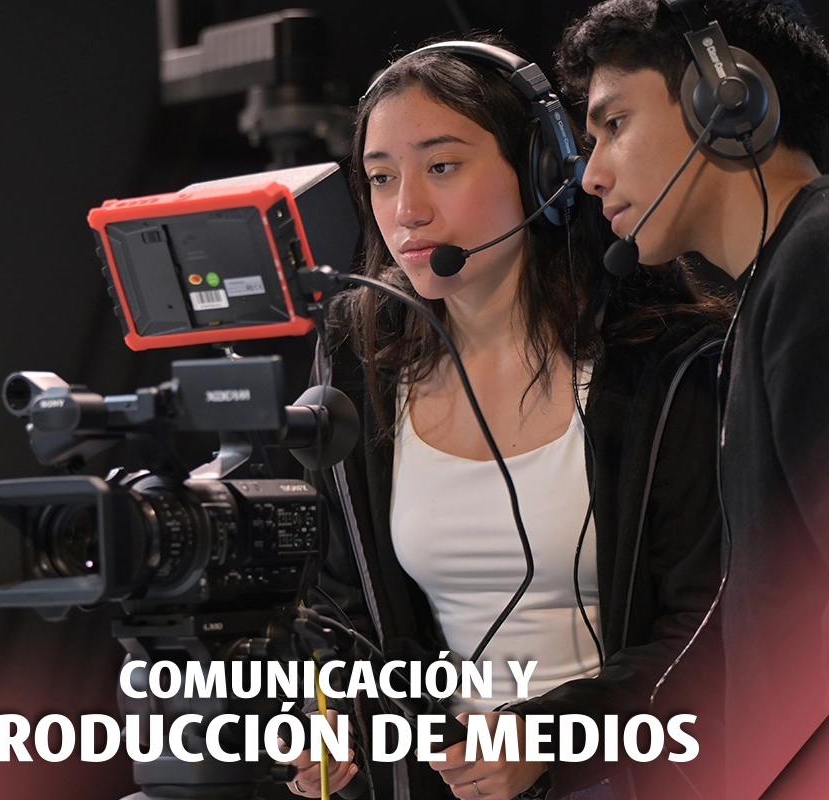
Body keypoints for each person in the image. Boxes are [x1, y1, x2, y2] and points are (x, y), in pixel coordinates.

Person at [288, 33, 730, 800]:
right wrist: (330, 719)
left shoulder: (666, 361)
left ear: (543, 171)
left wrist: (554, 737)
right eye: (382, 177)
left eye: (442, 167)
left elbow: (714, 621)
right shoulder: (359, 353)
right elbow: (341, 600)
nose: (406, 210)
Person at [556, 1, 829, 797]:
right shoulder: (772, 289)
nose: (591, 175)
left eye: (614, 125)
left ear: (728, 99)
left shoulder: (816, 267)